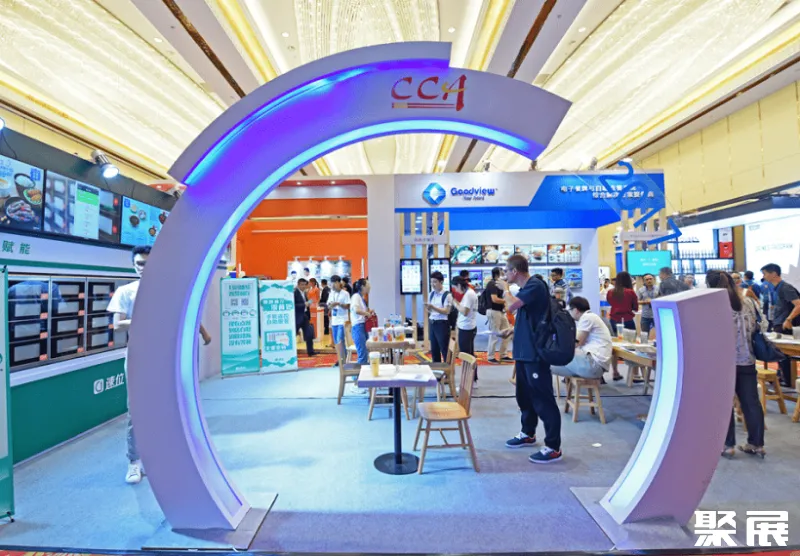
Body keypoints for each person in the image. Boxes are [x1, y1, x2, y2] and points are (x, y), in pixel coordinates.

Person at [109, 246, 212, 485]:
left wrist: (204, 334)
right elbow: (117, 325)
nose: (143, 268)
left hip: (166, 356)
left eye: (147, 263)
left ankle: (161, 458)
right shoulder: (125, 292)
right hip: (139, 357)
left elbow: (187, 314)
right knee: (136, 411)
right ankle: (134, 462)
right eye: (139, 264)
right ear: (133, 265)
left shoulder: (168, 291)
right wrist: (145, 319)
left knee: (169, 407)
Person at [501, 255, 562, 463]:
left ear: (514, 271)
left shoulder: (535, 285)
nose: (505, 275)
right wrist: (512, 330)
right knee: (524, 396)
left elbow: (512, 306)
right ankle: (528, 433)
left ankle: (553, 446)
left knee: (543, 399)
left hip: (535, 354)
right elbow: (529, 318)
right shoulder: (527, 289)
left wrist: (505, 289)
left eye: (506, 271)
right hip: (523, 353)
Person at [706, 270, 766, 458]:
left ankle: (727, 444)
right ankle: (756, 444)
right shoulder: (748, 302)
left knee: (724, 404)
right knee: (751, 403)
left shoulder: (712, 305)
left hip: (722, 362)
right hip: (747, 359)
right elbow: (762, 325)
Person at [551, 296, 612, 380]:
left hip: (593, 365)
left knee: (553, 358)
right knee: (549, 364)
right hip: (594, 365)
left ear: (575, 310)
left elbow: (576, 343)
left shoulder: (587, 317)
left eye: (570, 310)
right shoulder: (591, 317)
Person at [761, 263, 800, 386]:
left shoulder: (785, 288)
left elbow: (798, 304)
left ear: (773, 274)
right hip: (778, 322)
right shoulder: (775, 288)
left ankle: (788, 380)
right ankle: (783, 376)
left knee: (784, 354)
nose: (763, 276)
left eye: (765, 273)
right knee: (780, 353)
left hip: (785, 325)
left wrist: (788, 319)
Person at [452, 276, 479, 382]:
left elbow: (465, 311)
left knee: (466, 356)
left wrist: (454, 302)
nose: (456, 290)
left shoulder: (469, 294)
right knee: (469, 355)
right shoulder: (469, 293)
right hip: (467, 327)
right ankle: (472, 379)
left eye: (455, 288)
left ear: (459, 285)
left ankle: (469, 380)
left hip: (467, 328)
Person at [485, 267, 512, 364]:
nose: (505, 274)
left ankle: (503, 355)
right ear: (498, 274)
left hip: (500, 311)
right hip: (493, 311)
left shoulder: (501, 285)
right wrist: (507, 300)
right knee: (494, 334)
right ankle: (490, 356)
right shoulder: (492, 284)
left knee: (508, 332)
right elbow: (494, 299)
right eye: (503, 272)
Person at [424, 271, 453, 363]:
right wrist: (428, 308)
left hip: (442, 324)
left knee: (444, 348)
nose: (433, 284)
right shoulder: (431, 294)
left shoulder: (447, 295)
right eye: (431, 282)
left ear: (441, 282)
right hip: (432, 322)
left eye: (435, 282)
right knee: (434, 349)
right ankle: (437, 369)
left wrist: (433, 307)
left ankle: (448, 369)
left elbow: (447, 311)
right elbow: (430, 311)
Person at [349, 278, 374, 365]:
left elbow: (360, 311)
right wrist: (367, 313)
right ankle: (359, 372)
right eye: (368, 285)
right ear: (363, 287)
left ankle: (363, 371)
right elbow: (356, 310)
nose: (369, 287)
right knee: (362, 354)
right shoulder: (356, 297)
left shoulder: (360, 297)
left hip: (362, 326)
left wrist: (368, 312)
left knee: (364, 352)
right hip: (358, 327)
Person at [294, 279, 316, 357]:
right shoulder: (294, 293)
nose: (303, 286)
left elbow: (306, 304)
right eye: (302, 284)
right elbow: (293, 305)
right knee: (293, 334)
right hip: (297, 317)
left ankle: (311, 352)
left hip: (304, 315)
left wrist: (308, 303)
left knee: (309, 334)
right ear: (298, 284)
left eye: (304, 285)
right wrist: (304, 304)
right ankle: (291, 352)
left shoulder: (304, 293)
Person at [327, 275, 351, 351]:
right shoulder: (331, 293)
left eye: (333, 283)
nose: (332, 285)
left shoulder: (345, 293)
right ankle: (341, 357)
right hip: (334, 321)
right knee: (337, 342)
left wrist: (339, 304)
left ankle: (342, 357)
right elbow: (328, 306)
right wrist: (331, 305)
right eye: (331, 283)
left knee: (340, 339)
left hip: (342, 320)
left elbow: (348, 306)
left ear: (338, 283)